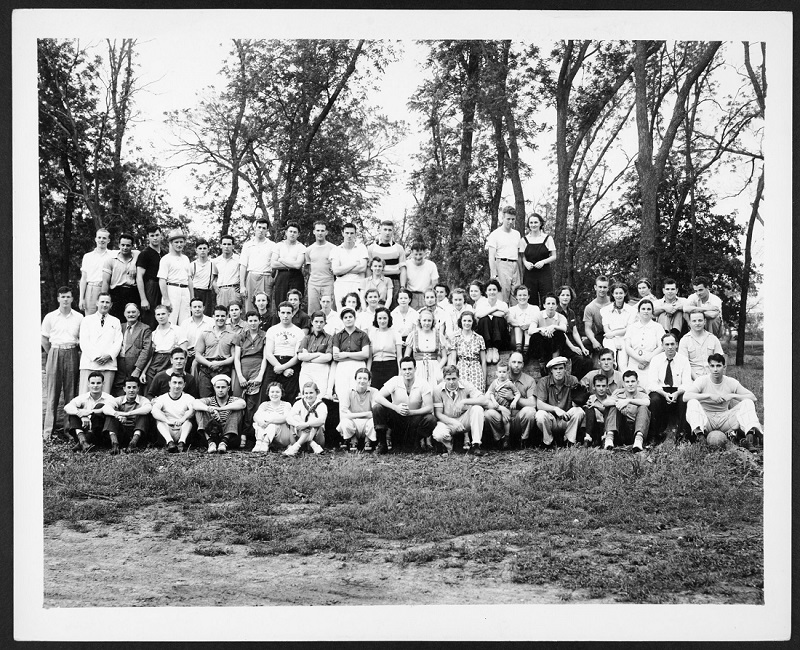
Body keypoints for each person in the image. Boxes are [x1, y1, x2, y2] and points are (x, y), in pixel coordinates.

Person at [683, 353, 763, 449]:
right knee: (692, 402)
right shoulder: (702, 380)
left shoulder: (730, 382)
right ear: (709, 367)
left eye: (718, 366)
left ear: (724, 367)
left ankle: (749, 440)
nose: (715, 369)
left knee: (747, 402)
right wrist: (709, 396)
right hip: (707, 420)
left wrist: (732, 395)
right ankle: (701, 439)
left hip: (725, 419)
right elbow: (685, 397)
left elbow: (753, 397)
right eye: (712, 366)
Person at [41, 286, 83, 440]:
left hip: (72, 352)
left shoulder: (79, 317)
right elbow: (44, 339)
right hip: (55, 352)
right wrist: (53, 352)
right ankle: (48, 431)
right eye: (62, 297)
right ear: (58, 299)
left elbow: (82, 339)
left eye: (68, 297)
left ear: (72, 299)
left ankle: (68, 429)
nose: (65, 299)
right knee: (52, 393)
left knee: (70, 393)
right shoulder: (50, 317)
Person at [372, 356, 436, 453]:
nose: (407, 372)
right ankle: (382, 444)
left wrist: (411, 412)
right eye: (404, 369)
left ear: (415, 369)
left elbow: (430, 408)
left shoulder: (423, 383)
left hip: (414, 419)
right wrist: (395, 408)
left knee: (430, 419)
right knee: (377, 408)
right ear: (400, 370)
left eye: (410, 369)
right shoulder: (395, 380)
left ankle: (416, 442)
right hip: (396, 418)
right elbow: (378, 397)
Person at [484, 352, 538, 449]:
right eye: (513, 362)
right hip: (502, 417)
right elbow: (486, 398)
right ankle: (500, 440)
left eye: (519, 362)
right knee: (488, 414)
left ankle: (523, 440)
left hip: (518, 418)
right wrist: (501, 409)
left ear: (523, 365)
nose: (516, 365)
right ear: (509, 363)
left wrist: (513, 398)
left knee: (530, 411)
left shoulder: (529, 380)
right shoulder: (500, 378)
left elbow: (533, 403)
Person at [232, 311, 268, 449]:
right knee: (239, 401)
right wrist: (240, 375)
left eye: (255, 320)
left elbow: (265, 357)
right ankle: (236, 435)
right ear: (247, 321)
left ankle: (249, 436)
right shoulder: (241, 336)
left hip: (257, 367)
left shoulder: (264, 336)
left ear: (259, 321)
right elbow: (236, 358)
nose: (253, 323)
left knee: (252, 404)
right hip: (242, 368)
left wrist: (260, 375)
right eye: (250, 320)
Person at [432, 365, 487, 455]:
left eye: (454, 378)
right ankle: (450, 445)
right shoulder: (437, 390)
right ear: (444, 379)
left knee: (477, 409)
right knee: (438, 434)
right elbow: (438, 414)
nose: (451, 382)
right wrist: (453, 422)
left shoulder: (466, 385)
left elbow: (483, 399)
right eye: (448, 379)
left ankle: (476, 445)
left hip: (464, 419)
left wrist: (464, 401)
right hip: (447, 421)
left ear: (458, 377)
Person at [647, 333, 691, 442]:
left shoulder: (684, 360)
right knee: (654, 400)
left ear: (677, 345)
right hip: (661, 390)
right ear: (662, 346)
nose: (670, 347)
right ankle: (655, 435)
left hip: (678, 390)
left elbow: (687, 382)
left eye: (672, 344)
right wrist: (664, 394)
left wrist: (677, 393)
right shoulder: (656, 360)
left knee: (685, 400)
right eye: (667, 344)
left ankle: (682, 435)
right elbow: (652, 383)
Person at [534, 356, 585, 449]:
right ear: (551, 371)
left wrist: (578, 399)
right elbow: (539, 404)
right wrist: (555, 409)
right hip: (551, 418)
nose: (558, 371)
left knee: (579, 411)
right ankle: (548, 441)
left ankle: (569, 441)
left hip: (566, 417)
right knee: (540, 414)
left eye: (561, 368)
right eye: (555, 369)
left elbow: (576, 403)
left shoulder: (572, 380)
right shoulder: (543, 381)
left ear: (565, 369)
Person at [78, 292, 122, 394]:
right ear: (97, 303)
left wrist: (109, 356)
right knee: (85, 395)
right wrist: (96, 357)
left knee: (105, 397)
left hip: (108, 364)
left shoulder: (115, 321)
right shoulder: (87, 320)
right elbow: (84, 342)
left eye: (107, 302)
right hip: (89, 363)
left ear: (111, 305)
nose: (104, 304)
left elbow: (118, 342)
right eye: (102, 301)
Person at [193, 374, 246, 454]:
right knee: (199, 410)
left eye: (223, 387)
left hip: (229, 435)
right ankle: (211, 443)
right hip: (212, 434)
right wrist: (210, 410)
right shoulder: (210, 400)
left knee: (238, 410)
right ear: (214, 388)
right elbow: (195, 403)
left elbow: (242, 404)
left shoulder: (233, 400)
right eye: (218, 387)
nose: (220, 390)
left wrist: (220, 409)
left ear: (228, 388)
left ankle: (223, 443)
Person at [264, 300, 304, 404]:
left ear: (293, 314)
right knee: (269, 395)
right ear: (278, 313)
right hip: (274, 364)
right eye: (282, 313)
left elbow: (297, 355)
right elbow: (268, 353)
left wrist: (283, 368)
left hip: (291, 364)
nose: (285, 316)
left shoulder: (299, 332)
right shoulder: (272, 330)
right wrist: (280, 367)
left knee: (290, 396)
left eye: (288, 313)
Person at [63, 371, 114, 452]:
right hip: (84, 430)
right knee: (73, 413)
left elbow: (111, 411)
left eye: (98, 383)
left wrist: (87, 412)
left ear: (103, 384)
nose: (95, 385)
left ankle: (82, 442)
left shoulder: (109, 398)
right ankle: (83, 441)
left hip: (99, 433)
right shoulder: (83, 397)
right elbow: (67, 407)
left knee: (100, 406)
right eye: (92, 383)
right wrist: (81, 415)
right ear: (88, 384)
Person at [194, 305, 236, 398]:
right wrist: (210, 364)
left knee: (222, 397)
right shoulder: (205, 333)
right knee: (205, 397)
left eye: (222, 316)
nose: (220, 318)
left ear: (227, 317)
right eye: (217, 316)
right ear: (213, 316)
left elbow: (234, 357)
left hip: (224, 368)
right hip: (207, 368)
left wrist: (220, 363)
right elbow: (198, 355)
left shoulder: (233, 335)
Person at [102, 377, 152, 453]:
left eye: (134, 387)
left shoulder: (143, 400)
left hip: (137, 432)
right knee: (111, 415)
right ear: (124, 389)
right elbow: (106, 408)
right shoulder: (119, 399)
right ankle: (115, 444)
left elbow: (148, 408)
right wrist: (117, 415)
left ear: (138, 389)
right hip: (121, 432)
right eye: (129, 387)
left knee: (143, 415)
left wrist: (128, 414)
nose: (131, 390)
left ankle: (132, 444)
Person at [604, 370, 650, 452]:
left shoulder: (642, 394)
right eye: (627, 382)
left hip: (636, 429)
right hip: (621, 429)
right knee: (613, 407)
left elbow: (647, 402)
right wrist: (618, 402)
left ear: (637, 382)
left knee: (643, 407)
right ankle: (609, 439)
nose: (630, 384)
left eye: (633, 381)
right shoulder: (618, 394)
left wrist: (628, 401)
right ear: (623, 384)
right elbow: (605, 403)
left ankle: (638, 441)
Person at [331, 307, 370, 403]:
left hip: (358, 366)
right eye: (345, 317)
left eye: (350, 317)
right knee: (342, 394)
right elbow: (336, 356)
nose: (348, 319)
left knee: (357, 394)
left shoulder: (362, 335)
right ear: (342, 320)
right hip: (342, 367)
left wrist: (345, 354)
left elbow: (365, 354)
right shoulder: (338, 336)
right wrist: (356, 355)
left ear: (355, 318)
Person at [624, 299, 666, 387]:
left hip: (651, 364)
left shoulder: (658, 327)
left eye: (648, 309)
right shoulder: (632, 327)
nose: (646, 311)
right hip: (634, 363)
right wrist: (639, 359)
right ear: (639, 312)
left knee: (649, 388)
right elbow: (627, 347)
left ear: (652, 312)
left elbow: (662, 346)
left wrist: (646, 360)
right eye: (643, 309)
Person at [113, 303, 152, 396]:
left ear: (138, 313)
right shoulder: (119, 327)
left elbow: (146, 350)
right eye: (128, 312)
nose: (131, 314)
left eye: (133, 312)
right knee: (119, 390)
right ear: (124, 314)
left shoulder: (145, 328)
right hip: (119, 365)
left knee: (135, 390)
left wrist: (138, 369)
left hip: (135, 365)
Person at [519, 212, 556, 307]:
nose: (533, 225)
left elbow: (554, 256)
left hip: (544, 273)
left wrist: (543, 262)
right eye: (531, 223)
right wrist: (525, 263)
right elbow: (522, 256)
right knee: (531, 300)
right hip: (530, 274)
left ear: (540, 223)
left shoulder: (548, 238)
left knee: (547, 298)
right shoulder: (524, 240)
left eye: (536, 222)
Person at [555, 285, 593, 379]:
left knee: (588, 360)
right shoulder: (556, 311)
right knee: (578, 359)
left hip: (572, 340)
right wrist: (573, 347)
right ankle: (575, 383)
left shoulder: (571, 312)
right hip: (562, 342)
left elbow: (575, 332)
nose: (565, 297)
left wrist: (582, 347)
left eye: (567, 295)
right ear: (558, 297)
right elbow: (561, 333)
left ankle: (584, 383)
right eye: (562, 295)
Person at [157, 229, 194, 326]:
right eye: (176, 242)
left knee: (185, 321)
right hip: (172, 290)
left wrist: (192, 297)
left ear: (184, 243)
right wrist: (166, 299)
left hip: (185, 291)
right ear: (171, 243)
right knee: (171, 319)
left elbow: (189, 279)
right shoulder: (166, 259)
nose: (179, 244)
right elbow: (162, 280)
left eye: (181, 242)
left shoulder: (185, 258)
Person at [367, 220, 407, 310]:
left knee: (394, 309)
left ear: (393, 231)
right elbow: (369, 268)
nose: (387, 232)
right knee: (377, 308)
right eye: (385, 229)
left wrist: (402, 287)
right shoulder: (372, 248)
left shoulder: (399, 248)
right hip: (378, 281)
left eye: (390, 230)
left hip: (394, 281)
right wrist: (369, 282)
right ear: (380, 230)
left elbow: (403, 269)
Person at [151, 374, 196, 453]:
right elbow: (154, 411)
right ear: (169, 384)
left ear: (184, 385)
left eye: (180, 383)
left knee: (189, 421)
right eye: (174, 382)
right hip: (167, 430)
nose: (177, 386)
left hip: (182, 429)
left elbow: (193, 410)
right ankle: (170, 443)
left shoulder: (188, 398)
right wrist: (167, 420)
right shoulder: (162, 398)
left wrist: (182, 419)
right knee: (159, 421)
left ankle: (181, 443)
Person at [486, 205, 522, 304]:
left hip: (515, 266)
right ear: (503, 218)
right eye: (508, 219)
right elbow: (491, 257)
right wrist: (494, 274)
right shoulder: (495, 234)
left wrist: (520, 272)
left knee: (516, 295)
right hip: (501, 264)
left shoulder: (517, 234)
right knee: (503, 297)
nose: (511, 222)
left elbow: (518, 255)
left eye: (513, 219)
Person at [338, 368, 379, 452]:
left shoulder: (374, 391)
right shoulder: (348, 392)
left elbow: (374, 412)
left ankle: (368, 441)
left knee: (375, 420)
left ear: (369, 381)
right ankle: (353, 440)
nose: (362, 381)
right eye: (359, 378)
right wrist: (366, 414)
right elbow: (343, 413)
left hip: (368, 423)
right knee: (345, 421)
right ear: (355, 379)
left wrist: (351, 415)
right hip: (353, 423)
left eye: (365, 378)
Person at [145, 304, 188, 385]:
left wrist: (181, 371)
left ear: (168, 314)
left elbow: (184, 352)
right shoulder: (154, 334)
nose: (161, 317)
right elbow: (150, 355)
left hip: (171, 361)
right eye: (158, 314)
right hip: (156, 362)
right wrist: (144, 372)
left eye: (163, 314)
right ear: (155, 316)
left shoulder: (178, 330)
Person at [239, 218, 275, 312]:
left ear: (267, 230)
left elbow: (276, 264)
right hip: (252, 277)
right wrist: (242, 286)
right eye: (259, 227)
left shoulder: (272, 245)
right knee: (250, 305)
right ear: (254, 228)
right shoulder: (247, 245)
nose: (261, 230)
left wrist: (273, 279)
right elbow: (243, 266)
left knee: (266, 306)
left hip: (266, 276)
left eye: (264, 228)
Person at [527, 293, 568, 374]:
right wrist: (541, 329)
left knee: (560, 334)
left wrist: (554, 327)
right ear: (544, 305)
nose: (551, 306)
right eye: (548, 303)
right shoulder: (538, 315)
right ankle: (542, 363)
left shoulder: (561, 317)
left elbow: (564, 329)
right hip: (541, 346)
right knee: (535, 336)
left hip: (553, 345)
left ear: (557, 306)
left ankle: (554, 361)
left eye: (553, 303)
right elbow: (530, 331)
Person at [330, 222, 369, 308]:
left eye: (352, 233)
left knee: (358, 312)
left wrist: (342, 270)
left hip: (358, 283)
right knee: (342, 311)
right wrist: (354, 264)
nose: (349, 235)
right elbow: (336, 271)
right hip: (341, 284)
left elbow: (363, 268)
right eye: (347, 233)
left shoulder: (361, 248)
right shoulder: (336, 250)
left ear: (355, 234)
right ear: (342, 233)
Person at [405, 308, 447, 388]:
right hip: (418, 366)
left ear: (433, 322)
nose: (426, 323)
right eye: (424, 320)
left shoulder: (438, 335)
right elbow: (407, 355)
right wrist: (411, 367)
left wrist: (438, 368)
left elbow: (444, 357)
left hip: (434, 366)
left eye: (429, 320)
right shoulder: (413, 335)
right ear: (420, 321)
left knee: (434, 389)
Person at [103, 232, 140, 321]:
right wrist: (104, 298)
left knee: (132, 320)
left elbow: (138, 252)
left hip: (132, 292)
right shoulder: (110, 260)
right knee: (116, 320)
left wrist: (133, 263)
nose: (125, 247)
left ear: (132, 246)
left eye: (128, 245)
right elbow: (106, 281)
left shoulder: (137, 258)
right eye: (122, 245)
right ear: (119, 245)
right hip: (116, 293)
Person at [285, 381, 328, 456]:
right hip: (299, 435)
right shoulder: (299, 403)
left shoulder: (321, 405)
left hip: (316, 437)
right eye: (306, 393)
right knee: (295, 416)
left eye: (311, 393)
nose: (308, 396)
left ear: (317, 393)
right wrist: (298, 424)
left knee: (314, 422)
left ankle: (295, 447)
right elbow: (288, 418)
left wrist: (306, 424)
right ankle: (312, 444)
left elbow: (321, 420)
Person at [297, 311, 334, 398]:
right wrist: (319, 354)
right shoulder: (307, 338)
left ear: (325, 323)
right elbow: (300, 356)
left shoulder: (329, 338)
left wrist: (309, 357)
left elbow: (328, 357)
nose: (318, 324)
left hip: (322, 369)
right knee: (305, 395)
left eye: (321, 322)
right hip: (306, 369)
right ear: (312, 322)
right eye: (316, 321)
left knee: (319, 396)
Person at [485, 361, 522, 448]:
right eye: (500, 372)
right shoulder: (495, 382)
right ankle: (497, 438)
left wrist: (514, 401)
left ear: (508, 373)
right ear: (496, 373)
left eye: (504, 372)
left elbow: (518, 393)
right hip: (497, 406)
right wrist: (493, 401)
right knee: (490, 415)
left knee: (506, 420)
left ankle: (507, 437)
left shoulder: (509, 383)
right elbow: (490, 393)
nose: (502, 374)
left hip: (506, 407)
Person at [447, 310, 486, 391]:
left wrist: (484, 379)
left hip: (476, 370)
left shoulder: (479, 338)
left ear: (473, 322)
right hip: (461, 369)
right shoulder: (456, 338)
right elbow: (453, 360)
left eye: (469, 321)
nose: (467, 323)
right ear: (461, 322)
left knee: (477, 395)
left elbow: (483, 361)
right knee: (462, 394)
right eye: (464, 320)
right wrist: (454, 376)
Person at [271, 221, 306, 310]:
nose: (292, 234)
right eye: (290, 231)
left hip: (296, 277)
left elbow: (298, 265)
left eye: (295, 232)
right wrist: (291, 263)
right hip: (282, 276)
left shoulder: (301, 247)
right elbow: (273, 264)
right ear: (286, 232)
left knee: (295, 302)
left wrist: (282, 260)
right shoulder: (279, 245)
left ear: (298, 234)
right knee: (281, 302)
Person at [136, 225, 167, 328]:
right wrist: (143, 299)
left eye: (157, 235)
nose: (155, 238)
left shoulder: (165, 254)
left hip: (164, 287)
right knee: (151, 320)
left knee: (164, 317)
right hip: (151, 288)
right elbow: (139, 277)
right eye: (152, 235)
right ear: (148, 237)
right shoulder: (144, 254)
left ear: (161, 236)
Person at [79, 227, 114, 315]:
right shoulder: (88, 256)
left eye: (104, 238)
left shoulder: (113, 255)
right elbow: (83, 279)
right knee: (90, 318)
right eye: (99, 237)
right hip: (91, 289)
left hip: (107, 289)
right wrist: (81, 298)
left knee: (106, 318)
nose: (101, 240)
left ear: (108, 240)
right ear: (95, 239)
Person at [600, 282, 635, 370]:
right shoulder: (605, 310)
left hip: (625, 338)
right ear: (612, 294)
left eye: (621, 293)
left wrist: (615, 335)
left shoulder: (632, 310)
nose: (618, 296)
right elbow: (606, 328)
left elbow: (628, 329)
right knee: (610, 360)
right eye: (616, 293)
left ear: (625, 294)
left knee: (623, 364)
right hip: (610, 338)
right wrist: (615, 340)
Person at [678, 311, 724, 379]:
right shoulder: (684, 340)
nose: (697, 323)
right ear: (689, 323)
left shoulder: (713, 338)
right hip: (693, 379)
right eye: (694, 321)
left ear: (705, 321)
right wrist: (697, 380)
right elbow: (684, 364)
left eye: (700, 320)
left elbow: (720, 361)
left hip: (712, 378)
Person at [474, 279, 509, 364]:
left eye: (494, 289)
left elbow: (502, 315)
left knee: (497, 319)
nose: (492, 292)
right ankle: (489, 349)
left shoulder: (502, 304)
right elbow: (478, 315)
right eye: (489, 290)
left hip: (501, 337)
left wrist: (487, 311)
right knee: (484, 320)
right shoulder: (481, 303)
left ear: (498, 291)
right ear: (486, 292)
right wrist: (495, 309)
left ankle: (495, 349)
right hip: (485, 338)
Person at [252, 382, 293, 452]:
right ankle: (259, 443)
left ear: (281, 393)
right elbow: (255, 416)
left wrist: (271, 420)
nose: (274, 394)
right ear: (268, 393)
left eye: (277, 392)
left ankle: (265, 443)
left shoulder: (286, 405)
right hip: (267, 432)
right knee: (260, 418)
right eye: (272, 392)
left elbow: (286, 418)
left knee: (272, 418)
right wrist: (260, 422)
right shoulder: (265, 404)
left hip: (282, 437)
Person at [367, 307, 402, 390]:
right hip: (376, 367)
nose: (382, 321)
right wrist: (367, 373)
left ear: (389, 319)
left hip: (391, 366)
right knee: (375, 392)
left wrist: (400, 373)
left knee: (390, 392)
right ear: (376, 319)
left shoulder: (395, 333)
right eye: (379, 318)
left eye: (385, 318)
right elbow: (370, 357)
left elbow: (399, 356)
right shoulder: (372, 334)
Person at [305, 221, 335, 313]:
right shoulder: (309, 250)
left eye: (322, 230)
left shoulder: (333, 248)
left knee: (329, 310)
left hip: (328, 282)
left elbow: (335, 268)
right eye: (318, 230)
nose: (320, 233)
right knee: (313, 312)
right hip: (313, 283)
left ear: (326, 232)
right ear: (314, 232)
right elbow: (308, 269)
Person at [582, 275, 611, 358]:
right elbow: (587, 328)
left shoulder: (613, 302)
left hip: (615, 333)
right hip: (601, 335)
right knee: (585, 345)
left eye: (604, 287)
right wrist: (593, 341)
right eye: (600, 287)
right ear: (595, 287)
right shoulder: (590, 307)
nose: (602, 290)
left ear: (608, 288)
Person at [404, 241, 439, 310]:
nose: (418, 257)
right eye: (415, 254)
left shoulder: (431, 265)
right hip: (411, 295)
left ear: (425, 253)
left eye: (420, 254)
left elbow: (435, 281)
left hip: (425, 295)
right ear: (411, 253)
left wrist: (430, 293)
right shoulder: (406, 264)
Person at [582, 373, 614, 447]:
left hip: (605, 427)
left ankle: (605, 438)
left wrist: (596, 406)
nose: (601, 389)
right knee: (589, 408)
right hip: (593, 427)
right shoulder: (590, 398)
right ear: (593, 387)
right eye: (598, 386)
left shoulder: (611, 399)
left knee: (609, 409)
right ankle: (588, 438)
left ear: (607, 387)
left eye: (603, 386)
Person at [183, 297, 214, 373]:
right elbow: (181, 340)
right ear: (190, 308)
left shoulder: (211, 322)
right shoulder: (185, 323)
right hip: (188, 355)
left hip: (205, 354)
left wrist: (201, 352)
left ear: (203, 308)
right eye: (195, 307)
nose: (197, 309)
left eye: (199, 307)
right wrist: (186, 351)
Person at [507, 285, 539, 356]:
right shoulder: (512, 309)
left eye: (525, 295)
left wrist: (527, 325)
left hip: (530, 337)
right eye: (520, 295)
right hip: (515, 338)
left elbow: (536, 320)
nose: (522, 297)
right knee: (518, 326)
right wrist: (520, 324)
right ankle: (518, 348)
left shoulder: (535, 308)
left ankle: (526, 348)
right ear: (516, 297)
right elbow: (510, 320)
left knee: (529, 327)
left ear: (528, 296)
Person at [190, 238, 218, 317]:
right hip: (195, 292)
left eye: (204, 248)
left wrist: (214, 284)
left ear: (208, 250)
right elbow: (189, 280)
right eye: (200, 248)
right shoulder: (192, 265)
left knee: (207, 316)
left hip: (207, 293)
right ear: (196, 250)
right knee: (194, 315)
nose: (202, 250)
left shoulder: (213, 264)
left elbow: (216, 276)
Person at [653, 277, 686, 341]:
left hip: (680, 331)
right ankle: (666, 334)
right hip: (662, 330)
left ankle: (674, 334)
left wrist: (677, 307)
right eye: (667, 289)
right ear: (663, 290)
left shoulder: (683, 300)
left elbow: (690, 308)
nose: (670, 291)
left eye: (672, 289)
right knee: (663, 313)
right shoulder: (658, 302)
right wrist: (665, 308)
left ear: (676, 290)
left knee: (679, 312)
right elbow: (653, 312)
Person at [213, 234, 241, 308]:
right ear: (221, 245)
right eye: (224, 244)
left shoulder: (239, 259)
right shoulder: (216, 261)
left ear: (233, 246)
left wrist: (241, 286)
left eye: (229, 244)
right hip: (221, 290)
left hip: (234, 290)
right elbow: (214, 277)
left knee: (234, 314)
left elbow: (244, 274)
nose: (226, 246)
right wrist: (215, 286)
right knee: (221, 314)